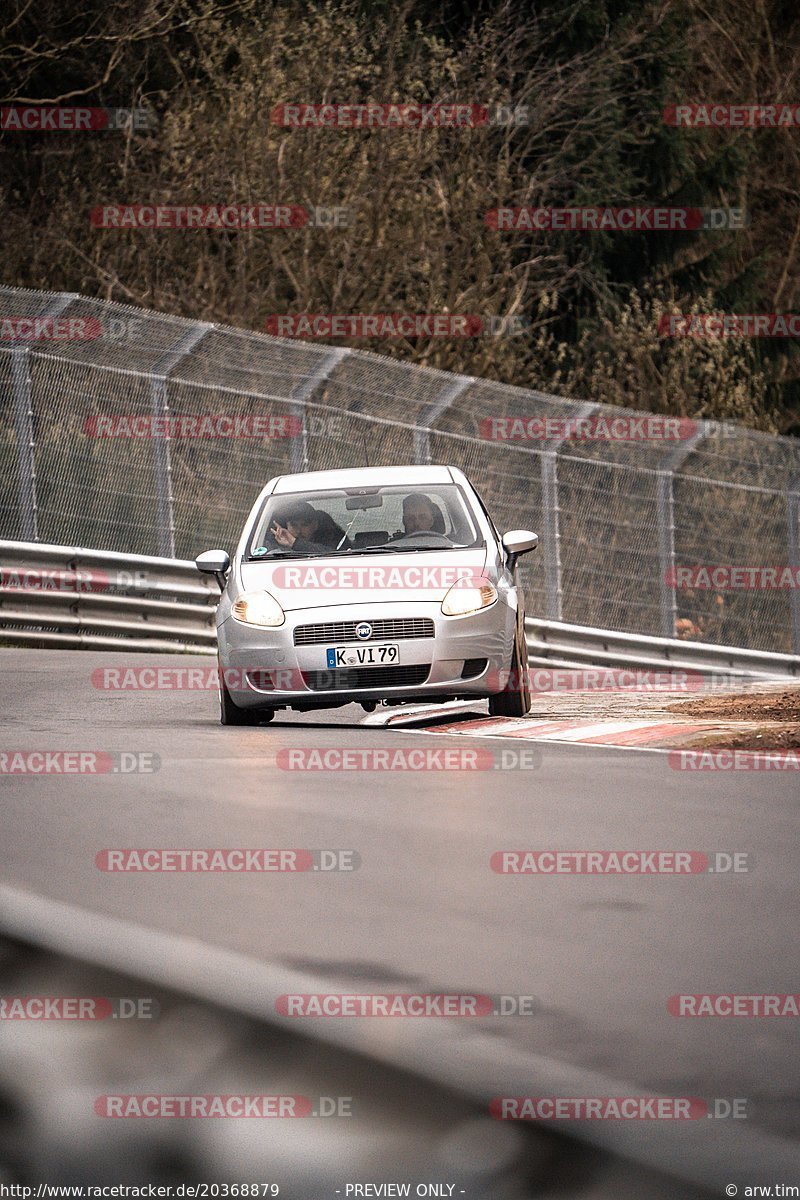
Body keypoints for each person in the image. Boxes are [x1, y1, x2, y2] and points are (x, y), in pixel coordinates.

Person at [270, 501, 348, 554]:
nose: (298, 531)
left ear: (315, 525)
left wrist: (295, 543)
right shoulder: (272, 543)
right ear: (286, 526)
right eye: (293, 525)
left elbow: (334, 555)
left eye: (304, 525)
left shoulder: (331, 541)